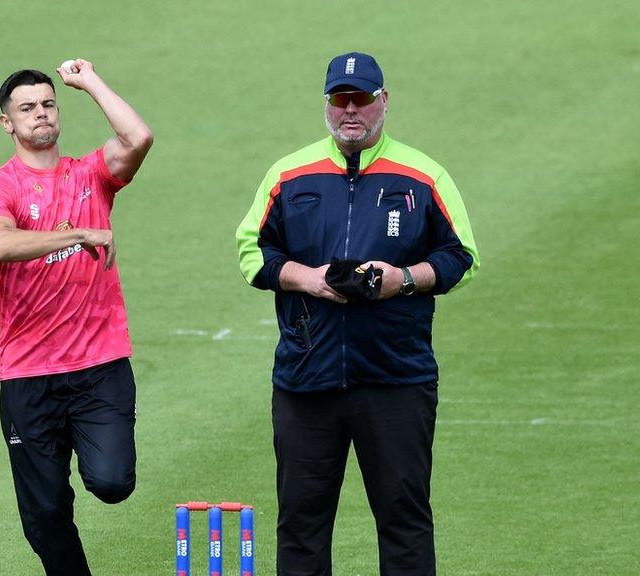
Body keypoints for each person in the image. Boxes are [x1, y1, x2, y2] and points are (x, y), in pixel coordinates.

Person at [235, 51, 480, 576]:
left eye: (362, 98)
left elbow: (462, 256)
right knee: (300, 524)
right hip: (306, 379)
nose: (351, 110)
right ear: (326, 103)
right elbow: (251, 253)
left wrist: (404, 280)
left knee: (404, 521)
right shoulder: (289, 174)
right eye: (340, 98)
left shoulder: (423, 175)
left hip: (396, 380)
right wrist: (311, 280)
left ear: (383, 101)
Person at [0, 61, 152, 576]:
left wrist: (90, 81)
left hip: (100, 365)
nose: (40, 115)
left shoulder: (90, 174)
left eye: (48, 104)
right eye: (26, 108)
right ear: (7, 123)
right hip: (29, 372)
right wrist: (78, 234)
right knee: (46, 513)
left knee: (113, 482)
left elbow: (138, 136)